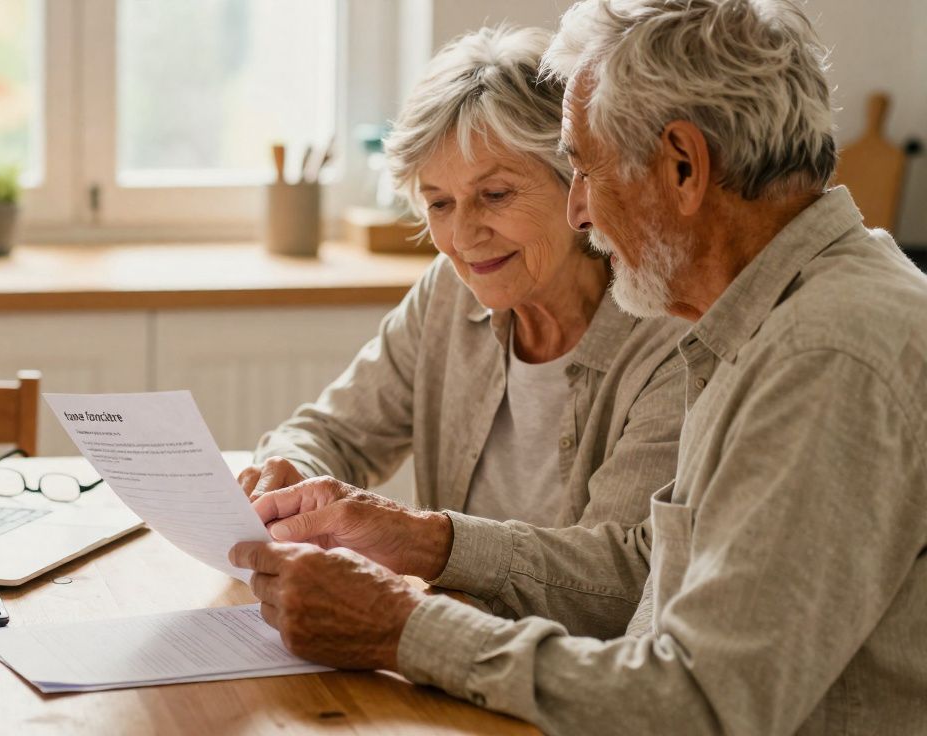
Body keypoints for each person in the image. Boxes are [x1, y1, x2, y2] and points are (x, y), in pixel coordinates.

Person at [229, 1, 927, 733]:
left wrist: (401, 624)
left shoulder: (824, 356)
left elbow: (698, 704)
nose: (579, 212)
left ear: (683, 167)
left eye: (587, 170)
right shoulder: (756, 321)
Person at [239, 26, 687, 537]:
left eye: (495, 194)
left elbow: (612, 578)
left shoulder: (667, 335)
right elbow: (334, 432)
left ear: (577, 183)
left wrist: (421, 544)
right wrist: (287, 467)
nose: (463, 236)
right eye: (439, 203)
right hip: (438, 614)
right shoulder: (449, 292)